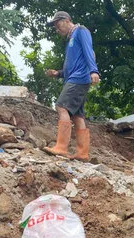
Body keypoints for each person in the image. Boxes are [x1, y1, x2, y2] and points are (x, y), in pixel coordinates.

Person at [42, 11, 100, 162]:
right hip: (74, 77)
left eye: (57, 24)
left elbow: (89, 51)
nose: (56, 28)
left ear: (67, 20)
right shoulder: (70, 40)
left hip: (79, 78)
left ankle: (61, 147)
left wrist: (94, 70)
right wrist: (58, 73)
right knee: (76, 115)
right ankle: (82, 153)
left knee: (61, 107)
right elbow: (71, 67)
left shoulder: (81, 31)